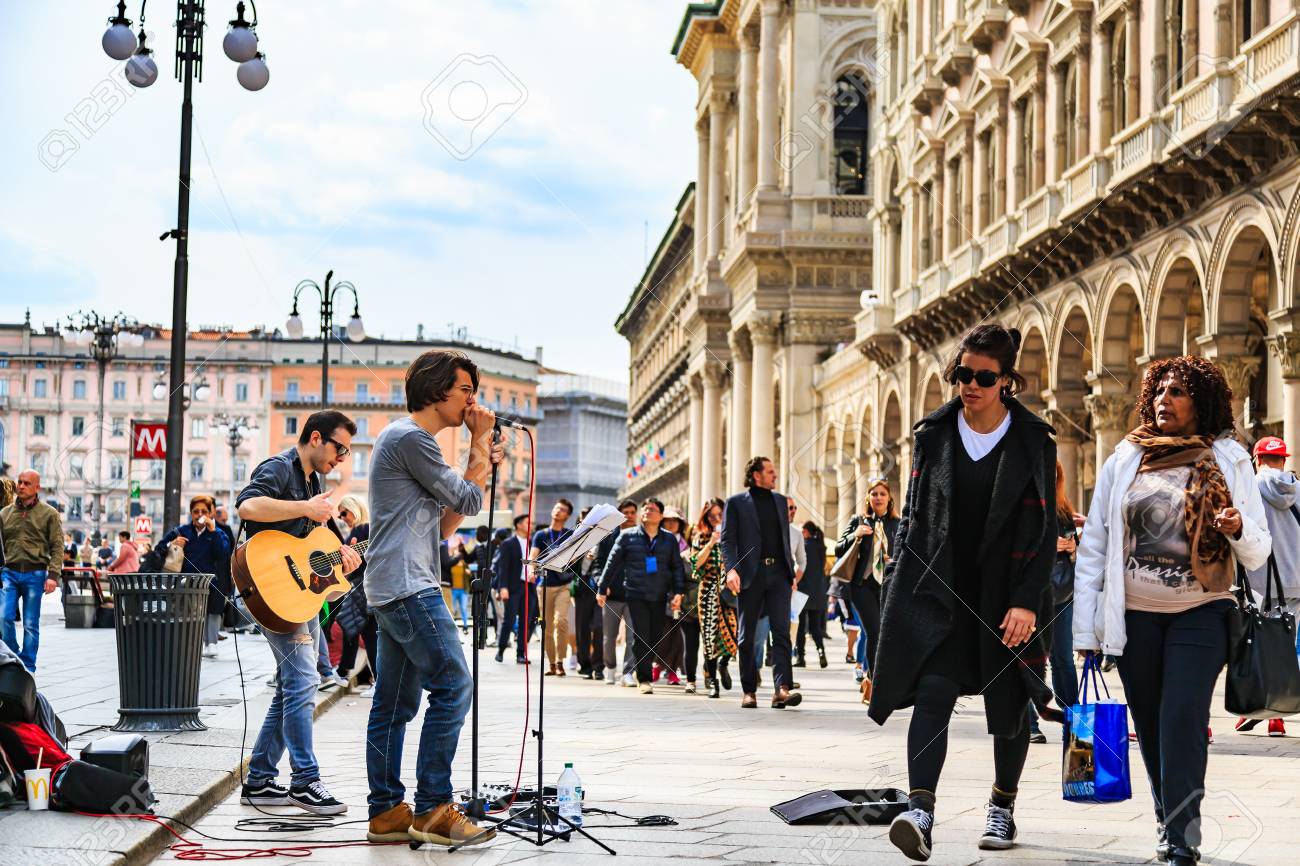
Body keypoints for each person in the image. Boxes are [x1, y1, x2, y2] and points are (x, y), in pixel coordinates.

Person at [1074, 357, 1270, 866]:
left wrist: (1236, 528)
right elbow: (1095, 544)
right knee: (1151, 723)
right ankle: (1168, 821)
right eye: (1159, 390)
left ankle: (1184, 833)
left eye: (1178, 391)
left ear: (1200, 402)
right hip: (1134, 615)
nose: (1165, 398)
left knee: (1182, 719)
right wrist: (1086, 628)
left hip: (1201, 610)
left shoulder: (1229, 459)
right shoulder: (1126, 458)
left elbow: (1260, 547)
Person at [873, 325, 1058, 861]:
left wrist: (1027, 599)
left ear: (1007, 381)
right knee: (932, 694)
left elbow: (1044, 530)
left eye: (983, 377)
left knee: (1010, 709)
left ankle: (1002, 805)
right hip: (941, 594)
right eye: (962, 374)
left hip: (1007, 598)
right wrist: (896, 596)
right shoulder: (933, 435)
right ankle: (920, 810)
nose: (970, 385)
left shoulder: (1032, 441)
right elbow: (912, 518)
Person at [363, 350, 505, 846]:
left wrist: (479, 460)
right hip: (408, 586)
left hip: (395, 583)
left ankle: (384, 812)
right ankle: (433, 809)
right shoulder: (411, 438)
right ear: (437, 388)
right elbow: (467, 499)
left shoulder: (408, 443)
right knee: (454, 685)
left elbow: (442, 526)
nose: (473, 400)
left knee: (395, 704)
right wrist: (480, 446)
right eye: (466, 389)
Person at [236, 410, 361, 816]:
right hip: (269, 589)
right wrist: (304, 508)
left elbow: (310, 550)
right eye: (340, 448)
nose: (342, 458)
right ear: (316, 438)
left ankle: (259, 778)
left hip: (298, 596)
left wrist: (342, 558)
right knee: (304, 679)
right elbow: (248, 508)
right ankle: (305, 781)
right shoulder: (279, 467)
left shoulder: (314, 482)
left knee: (293, 684)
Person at [722, 456, 801, 710]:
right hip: (750, 575)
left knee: (781, 633)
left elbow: (783, 539)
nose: (774, 475)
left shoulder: (780, 501)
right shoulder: (735, 503)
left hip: (779, 574)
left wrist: (790, 575)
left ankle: (782, 689)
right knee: (746, 636)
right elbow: (728, 540)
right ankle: (748, 691)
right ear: (756, 475)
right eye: (770, 471)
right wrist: (731, 570)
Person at [1237, 436, 1300, 737]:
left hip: (1261, 579)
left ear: (1257, 459)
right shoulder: (1298, 489)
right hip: (1296, 583)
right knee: (1286, 648)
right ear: (1284, 460)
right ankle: (1277, 714)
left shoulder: (1252, 488)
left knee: (1260, 647)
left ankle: (1268, 711)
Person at [596, 499, 685, 694]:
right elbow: (611, 563)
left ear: (660, 516)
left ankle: (642, 668)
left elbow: (676, 567)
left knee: (655, 636)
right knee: (641, 634)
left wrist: (678, 592)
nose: (647, 511)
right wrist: (602, 588)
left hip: (659, 595)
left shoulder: (668, 539)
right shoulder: (627, 536)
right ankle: (643, 678)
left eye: (652, 509)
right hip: (636, 594)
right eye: (645, 509)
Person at [1027, 461, 1083, 744]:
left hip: (1062, 594)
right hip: (1032, 596)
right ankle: (1030, 723)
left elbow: (1077, 557)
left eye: (1056, 475)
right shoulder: (1025, 508)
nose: (1051, 479)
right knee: (1032, 660)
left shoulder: (1063, 511)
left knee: (1064, 659)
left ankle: (1072, 722)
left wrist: (1073, 550)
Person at [834, 479, 899, 701]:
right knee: (874, 631)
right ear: (868, 498)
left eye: (882, 494)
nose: (878, 498)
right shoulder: (858, 521)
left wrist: (894, 560)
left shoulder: (897, 524)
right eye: (874, 494)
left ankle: (873, 681)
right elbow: (838, 548)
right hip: (862, 585)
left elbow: (906, 553)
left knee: (885, 635)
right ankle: (874, 682)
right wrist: (856, 535)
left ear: (889, 498)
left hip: (888, 585)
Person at [0, 470, 62, 672]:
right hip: (8, 572)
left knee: (30, 623)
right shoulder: (5, 513)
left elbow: (57, 546)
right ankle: (13, 656)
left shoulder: (49, 514)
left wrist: (53, 576)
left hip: (35, 574)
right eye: (19, 482)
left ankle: (28, 666)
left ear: (37, 488)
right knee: (3, 617)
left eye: (27, 483)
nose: (21, 486)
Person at [157, 495, 232, 659]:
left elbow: (222, 555)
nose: (199, 515)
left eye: (204, 511)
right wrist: (173, 543)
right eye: (195, 511)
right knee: (183, 610)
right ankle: (186, 642)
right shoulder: (182, 531)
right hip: (185, 581)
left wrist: (213, 532)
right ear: (191, 513)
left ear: (210, 513)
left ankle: (211, 642)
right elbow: (159, 547)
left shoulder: (218, 533)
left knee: (212, 608)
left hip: (210, 581)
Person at [691, 498, 736, 699]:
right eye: (712, 515)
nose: (717, 518)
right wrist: (710, 543)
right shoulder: (700, 536)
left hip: (728, 590)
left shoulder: (733, 535)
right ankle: (712, 682)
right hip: (708, 590)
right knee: (709, 636)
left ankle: (723, 663)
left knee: (733, 632)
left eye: (720, 514)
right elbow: (695, 563)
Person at [334, 495, 377, 691]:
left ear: (355, 508)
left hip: (362, 590)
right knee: (366, 633)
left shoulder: (361, 529)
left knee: (363, 632)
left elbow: (355, 563)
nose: (342, 517)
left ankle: (345, 672)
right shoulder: (367, 529)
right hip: (368, 590)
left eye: (344, 512)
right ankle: (345, 672)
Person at [595, 500, 639, 685]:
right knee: (608, 637)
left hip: (634, 594)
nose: (629, 515)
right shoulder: (607, 537)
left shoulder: (640, 537)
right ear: (619, 515)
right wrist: (601, 585)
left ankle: (628, 672)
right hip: (611, 595)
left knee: (632, 637)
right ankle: (610, 668)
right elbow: (598, 565)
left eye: (632, 512)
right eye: (625, 512)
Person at [532, 499, 577, 677]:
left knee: (561, 622)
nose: (558, 511)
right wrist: (530, 569)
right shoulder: (541, 534)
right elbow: (533, 555)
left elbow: (574, 558)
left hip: (563, 585)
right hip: (544, 586)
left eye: (563, 509)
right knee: (547, 627)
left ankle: (560, 661)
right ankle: (551, 663)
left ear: (567, 515)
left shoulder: (569, 534)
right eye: (557, 507)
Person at [492, 515, 531, 664]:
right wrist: (503, 587)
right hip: (513, 587)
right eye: (527, 522)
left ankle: (521, 654)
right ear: (519, 525)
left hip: (529, 587)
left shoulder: (532, 543)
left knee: (525, 622)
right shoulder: (508, 543)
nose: (530, 525)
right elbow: (503, 567)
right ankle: (501, 650)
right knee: (509, 620)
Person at [572, 507, 605, 680]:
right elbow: (569, 565)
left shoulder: (605, 535)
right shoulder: (576, 538)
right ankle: (584, 665)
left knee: (599, 627)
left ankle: (599, 665)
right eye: (584, 518)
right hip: (583, 586)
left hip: (600, 586)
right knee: (582, 628)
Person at [795, 521, 829, 670]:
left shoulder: (804, 546)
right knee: (815, 627)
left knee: (800, 627)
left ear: (807, 532)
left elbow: (799, 567)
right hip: (817, 592)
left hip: (802, 590)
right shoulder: (821, 547)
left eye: (802, 532)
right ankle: (821, 652)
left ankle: (800, 657)